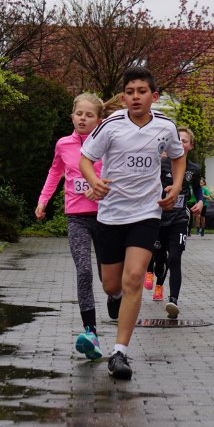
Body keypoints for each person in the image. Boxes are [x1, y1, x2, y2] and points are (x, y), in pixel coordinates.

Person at [79, 65, 186, 380]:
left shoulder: (166, 126)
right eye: (130, 92)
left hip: (146, 212)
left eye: (142, 91)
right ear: (123, 97)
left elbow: (178, 156)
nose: (136, 97)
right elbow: (85, 159)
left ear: (154, 96)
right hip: (111, 214)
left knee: (135, 277)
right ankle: (114, 298)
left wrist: (176, 185)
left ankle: (120, 352)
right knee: (112, 285)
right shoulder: (111, 125)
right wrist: (94, 181)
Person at [35, 93, 104, 361]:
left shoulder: (106, 144)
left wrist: (100, 187)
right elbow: (55, 172)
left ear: (98, 120)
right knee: (84, 271)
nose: (83, 119)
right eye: (79, 114)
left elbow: (117, 173)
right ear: (72, 117)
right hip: (77, 217)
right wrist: (43, 200)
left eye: (89, 115)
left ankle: (115, 298)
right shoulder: (63, 144)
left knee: (108, 278)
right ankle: (91, 333)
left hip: (106, 216)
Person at [151, 126, 203, 317]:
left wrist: (200, 201)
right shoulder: (160, 164)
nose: (180, 143)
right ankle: (158, 267)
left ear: (190, 146)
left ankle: (173, 300)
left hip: (180, 218)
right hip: (158, 217)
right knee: (158, 257)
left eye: (184, 141)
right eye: (178, 139)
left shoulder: (193, 169)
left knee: (175, 258)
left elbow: (197, 189)